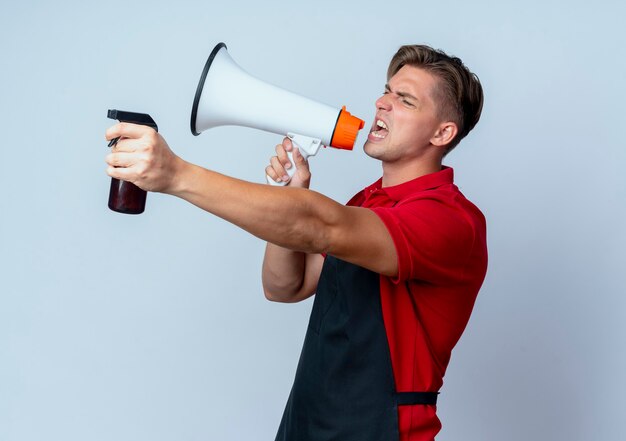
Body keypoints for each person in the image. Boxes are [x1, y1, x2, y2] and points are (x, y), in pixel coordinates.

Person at [105, 44, 487, 441]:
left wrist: (177, 175)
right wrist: (289, 195)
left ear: (443, 132)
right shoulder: (367, 201)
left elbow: (319, 224)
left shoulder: (452, 220)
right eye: (386, 91)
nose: (381, 103)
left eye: (404, 99)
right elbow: (285, 287)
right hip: (307, 422)